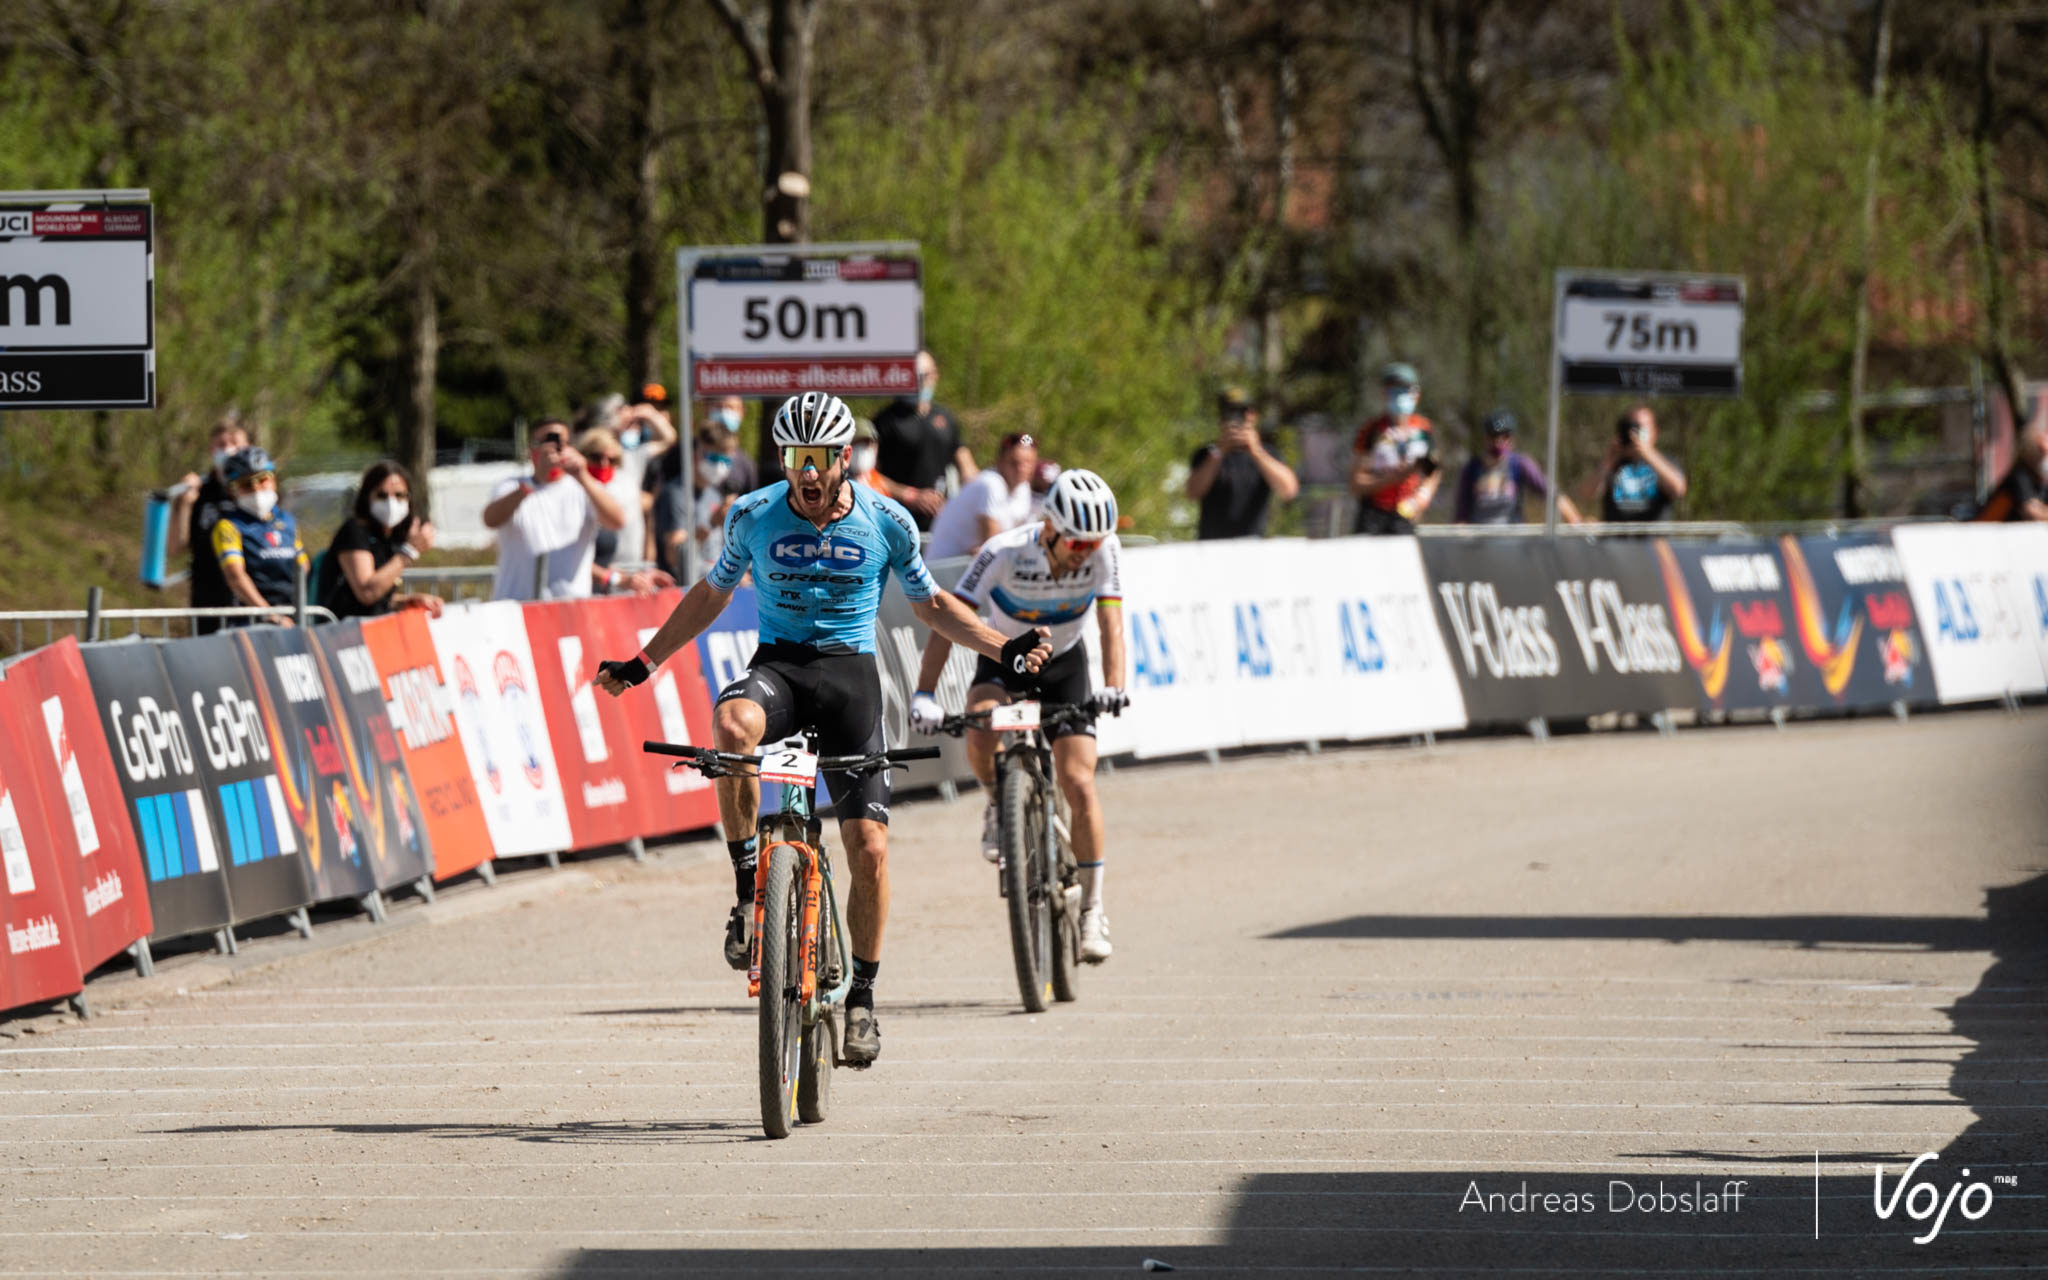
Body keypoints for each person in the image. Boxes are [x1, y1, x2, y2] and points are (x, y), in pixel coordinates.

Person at [594, 391, 1049, 1068]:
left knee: (868, 848)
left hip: (849, 678)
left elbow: (932, 607)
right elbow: (711, 596)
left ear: (843, 460)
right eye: (794, 458)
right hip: (779, 668)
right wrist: (643, 661)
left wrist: (1002, 648)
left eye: (820, 459)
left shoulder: (885, 520)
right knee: (731, 724)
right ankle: (750, 892)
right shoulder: (752, 514)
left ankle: (862, 997)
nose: (806, 473)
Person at [909, 469, 1128, 963]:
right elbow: (948, 620)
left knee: (1079, 780)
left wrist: (1115, 686)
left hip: (1065, 665)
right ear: (1048, 526)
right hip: (1006, 657)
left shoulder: (1104, 552)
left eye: (1093, 544)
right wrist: (924, 691)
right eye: (1076, 542)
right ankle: (997, 802)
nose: (1084, 553)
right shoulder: (1005, 550)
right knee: (981, 721)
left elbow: (1112, 622)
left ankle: (1093, 908)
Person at [481, 418, 627, 601]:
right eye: (545, 441)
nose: (554, 449)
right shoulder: (512, 486)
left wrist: (582, 475)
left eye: (561, 443)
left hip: (569, 607)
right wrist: (532, 484)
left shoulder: (583, 487)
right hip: (517, 605)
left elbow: (617, 520)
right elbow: (490, 519)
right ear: (531, 450)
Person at [316, 461, 446, 621]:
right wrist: (409, 552)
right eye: (382, 495)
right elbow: (367, 593)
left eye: (399, 495)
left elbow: (379, 600)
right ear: (367, 496)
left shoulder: (391, 538)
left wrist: (407, 601)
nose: (391, 503)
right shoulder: (354, 531)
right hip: (339, 634)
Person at [871, 349, 978, 530]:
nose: (919, 383)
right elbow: (868, 475)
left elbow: (967, 468)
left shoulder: (945, 417)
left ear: (935, 375)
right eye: (913, 377)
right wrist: (910, 495)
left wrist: (982, 494)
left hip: (940, 523)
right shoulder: (885, 421)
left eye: (924, 376)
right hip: (896, 523)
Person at [167, 414, 253, 634]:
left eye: (234, 443)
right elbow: (175, 547)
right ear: (211, 450)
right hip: (208, 600)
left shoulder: (257, 489)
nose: (228, 449)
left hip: (250, 597)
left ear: (247, 447)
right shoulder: (201, 492)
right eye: (221, 445)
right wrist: (184, 505)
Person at [207, 447, 308, 626]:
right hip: (250, 622)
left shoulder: (288, 521)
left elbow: (303, 568)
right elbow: (235, 576)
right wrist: (269, 615)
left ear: (273, 480)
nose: (256, 488)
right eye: (246, 484)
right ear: (233, 490)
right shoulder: (228, 526)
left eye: (262, 480)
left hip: (292, 617)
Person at [1186, 386, 1299, 539]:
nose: (1236, 419)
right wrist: (1220, 450)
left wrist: (1256, 451)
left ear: (1253, 415)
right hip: (1213, 548)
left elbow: (1289, 490)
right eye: (1230, 413)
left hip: (1252, 547)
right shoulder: (1208, 453)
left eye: (1242, 413)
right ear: (1221, 417)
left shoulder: (1268, 453)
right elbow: (1192, 492)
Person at [576, 428, 674, 595]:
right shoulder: (575, 489)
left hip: (631, 573)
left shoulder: (627, 479)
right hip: (595, 581)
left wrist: (648, 563)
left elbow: (669, 438)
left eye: (611, 459)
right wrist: (614, 578)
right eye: (596, 457)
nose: (604, 463)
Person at [1351, 363, 1440, 535]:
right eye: (1394, 390)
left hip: (1405, 515)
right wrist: (1391, 479)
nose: (1399, 396)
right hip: (1374, 514)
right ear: (1384, 394)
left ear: (1416, 395)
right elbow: (1355, 483)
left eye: (1405, 390)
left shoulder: (1423, 430)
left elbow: (1433, 469)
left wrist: (1422, 497)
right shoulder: (1372, 430)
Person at [1454, 411, 1583, 526]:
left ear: (1512, 438)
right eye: (1494, 436)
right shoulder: (1472, 469)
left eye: (1505, 436)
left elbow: (1553, 494)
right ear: (1486, 438)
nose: (1499, 442)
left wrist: (1576, 521)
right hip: (1480, 543)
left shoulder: (1520, 464)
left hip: (1513, 540)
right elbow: (1461, 516)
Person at [926, 432, 1039, 561]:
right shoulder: (990, 484)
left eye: (1028, 463)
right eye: (1014, 463)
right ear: (1000, 461)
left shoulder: (1023, 489)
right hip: (943, 570)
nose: (1021, 469)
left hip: (965, 567)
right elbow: (993, 543)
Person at [651, 426, 740, 580]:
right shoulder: (676, 494)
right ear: (695, 454)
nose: (719, 466)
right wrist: (711, 523)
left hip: (714, 585)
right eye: (714, 458)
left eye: (725, 460)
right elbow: (675, 555)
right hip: (684, 590)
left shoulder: (714, 494)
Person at [1591, 405, 1687, 523]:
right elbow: (1586, 495)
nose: (1634, 434)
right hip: (1615, 539)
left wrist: (1647, 454)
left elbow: (1678, 489)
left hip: (1652, 539)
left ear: (1655, 432)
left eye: (1640, 428)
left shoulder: (1666, 462)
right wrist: (1609, 460)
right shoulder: (1613, 462)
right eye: (1630, 427)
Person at [1975, 425, 2048, 522]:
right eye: (2042, 452)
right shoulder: (2019, 476)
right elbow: (2032, 513)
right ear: (2031, 453)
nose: (2046, 457)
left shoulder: (2040, 481)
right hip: (1987, 532)